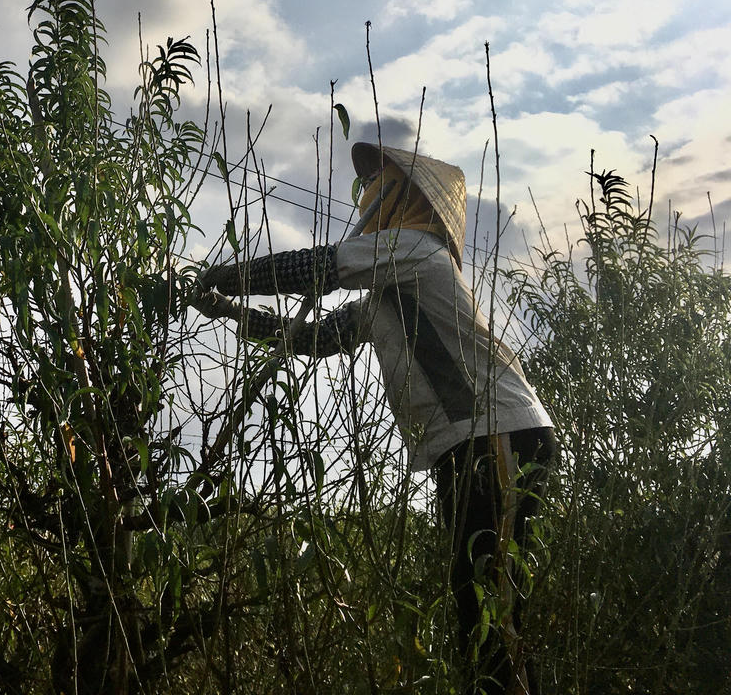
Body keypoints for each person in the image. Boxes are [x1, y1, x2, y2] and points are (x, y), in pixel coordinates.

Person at [193, 143, 557, 695]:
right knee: (475, 598)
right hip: (468, 442)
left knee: (492, 600)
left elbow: (318, 266)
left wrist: (227, 275)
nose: (367, 195)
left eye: (378, 185)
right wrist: (226, 309)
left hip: (496, 431)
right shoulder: (388, 289)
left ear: (407, 199)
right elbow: (314, 338)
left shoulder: (418, 251)